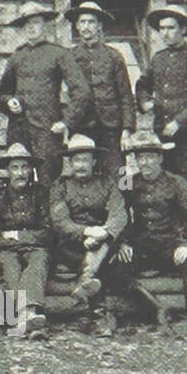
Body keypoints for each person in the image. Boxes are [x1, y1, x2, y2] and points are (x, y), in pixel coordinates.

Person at [117, 130, 187, 343]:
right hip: (140, 245)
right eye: (141, 157)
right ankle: (157, 309)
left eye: (151, 156)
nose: (146, 162)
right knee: (117, 268)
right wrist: (122, 242)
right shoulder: (128, 182)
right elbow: (118, 214)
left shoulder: (176, 182)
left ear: (160, 158)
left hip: (170, 244)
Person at [0, 1, 92, 185]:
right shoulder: (17, 56)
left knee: (48, 180)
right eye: (26, 24)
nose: (30, 27)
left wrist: (66, 122)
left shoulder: (59, 54)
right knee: (18, 178)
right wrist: (8, 101)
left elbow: (81, 91)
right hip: (19, 129)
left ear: (45, 25)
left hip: (47, 130)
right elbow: (3, 91)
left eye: (35, 22)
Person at [49, 134, 128, 336]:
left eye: (85, 160)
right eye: (76, 160)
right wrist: (87, 232)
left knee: (102, 250)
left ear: (93, 162)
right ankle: (100, 316)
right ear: (70, 163)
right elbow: (61, 222)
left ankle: (87, 299)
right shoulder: (60, 186)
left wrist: (103, 233)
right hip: (71, 246)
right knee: (101, 257)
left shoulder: (107, 184)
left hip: (103, 241)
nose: (81, 165)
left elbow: (119, 214)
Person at [136, 7, 187, 189]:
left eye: (170, 28)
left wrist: (179, 122)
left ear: (183, 29)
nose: (165, 33)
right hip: (161, 131)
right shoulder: (158, 59)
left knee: (185, 184)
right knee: (165, 182)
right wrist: (145, 102)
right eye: (162, 28)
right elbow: (143, 84)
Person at [0, 143, 52, 339]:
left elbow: (48, 232)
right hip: (5, 251)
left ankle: (25, 317)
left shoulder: (41, 193)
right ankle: (29, 317)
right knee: (10, 265)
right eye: (15, 168)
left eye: (24, 167)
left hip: (36, 248)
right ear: (7, 170)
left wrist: (16, 236)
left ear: (31, 170)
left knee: (38, 261)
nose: (20, 173)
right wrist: (18, 238)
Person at [64, 1, 135, 180]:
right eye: (82, 22)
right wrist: (66, 124)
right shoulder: (69, 57)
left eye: (91, 22)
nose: (86, 26)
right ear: (77, 26)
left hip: (111, 127)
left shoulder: (114, 56)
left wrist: (127, 130)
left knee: (120, 173)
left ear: (99, 25)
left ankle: (125, 198)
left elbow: (125, 95)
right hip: (81, 126)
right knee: (85, 174)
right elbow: (63, 93)